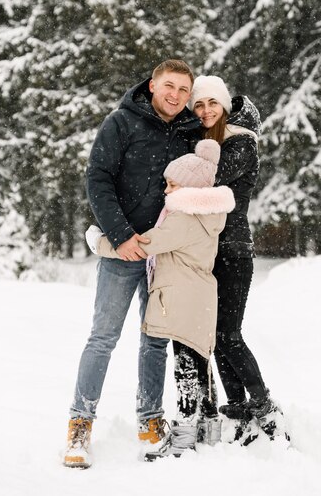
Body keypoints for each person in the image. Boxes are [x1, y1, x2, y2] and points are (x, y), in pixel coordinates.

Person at [63, 59, 202, 469]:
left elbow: (202, 183)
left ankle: (150, 420)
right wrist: (121, 236)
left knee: (155, 340)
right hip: (125, 251)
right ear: (153, 86)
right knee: (103, 337)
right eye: (169, 86)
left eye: (183, 89)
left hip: (166, 254)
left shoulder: (191, 131)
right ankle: (80, 424)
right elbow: (97, 178)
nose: (176, 95)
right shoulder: (122, 122)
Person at [87, 139, 235, 461]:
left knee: (185, 370)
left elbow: (142, 246)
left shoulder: (182, 219)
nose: (166, 191)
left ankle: (182, 438)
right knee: (198, 364)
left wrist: (99, 242)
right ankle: (208, 430)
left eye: (172, 185)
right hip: (200, 298)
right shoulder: (207, 215)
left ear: (191, 189)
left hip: (183, 301)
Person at [183, 74, 288, 445]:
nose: (206, 110)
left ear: (225, 108)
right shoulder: (208, 143)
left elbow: (208, 180)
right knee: (217, 334)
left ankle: (262, 405)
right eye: (198, 104)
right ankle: (238, 404)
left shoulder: (239, 143)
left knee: (229, 334)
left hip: (233, 251)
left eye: (212, 103)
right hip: (208, 251)